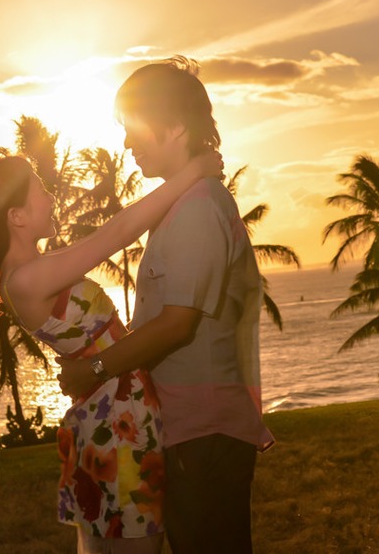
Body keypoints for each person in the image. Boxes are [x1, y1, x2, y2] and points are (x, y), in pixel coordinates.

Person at [0, 148, 222, 554]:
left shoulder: (36, 268)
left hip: (116, 415)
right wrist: (193, 171)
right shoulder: (26, 280)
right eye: (40, 189)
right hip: (118, 423)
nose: (51, 197)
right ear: (17, 216)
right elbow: (117, 232)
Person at [59, 57, 274, 554]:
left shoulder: (198, 209)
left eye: (134, 128)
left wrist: (93, 369)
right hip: (188, 428)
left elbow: (177, 325)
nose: (128, 143)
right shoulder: (183, 203)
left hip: (203, 431)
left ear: (175, 127)